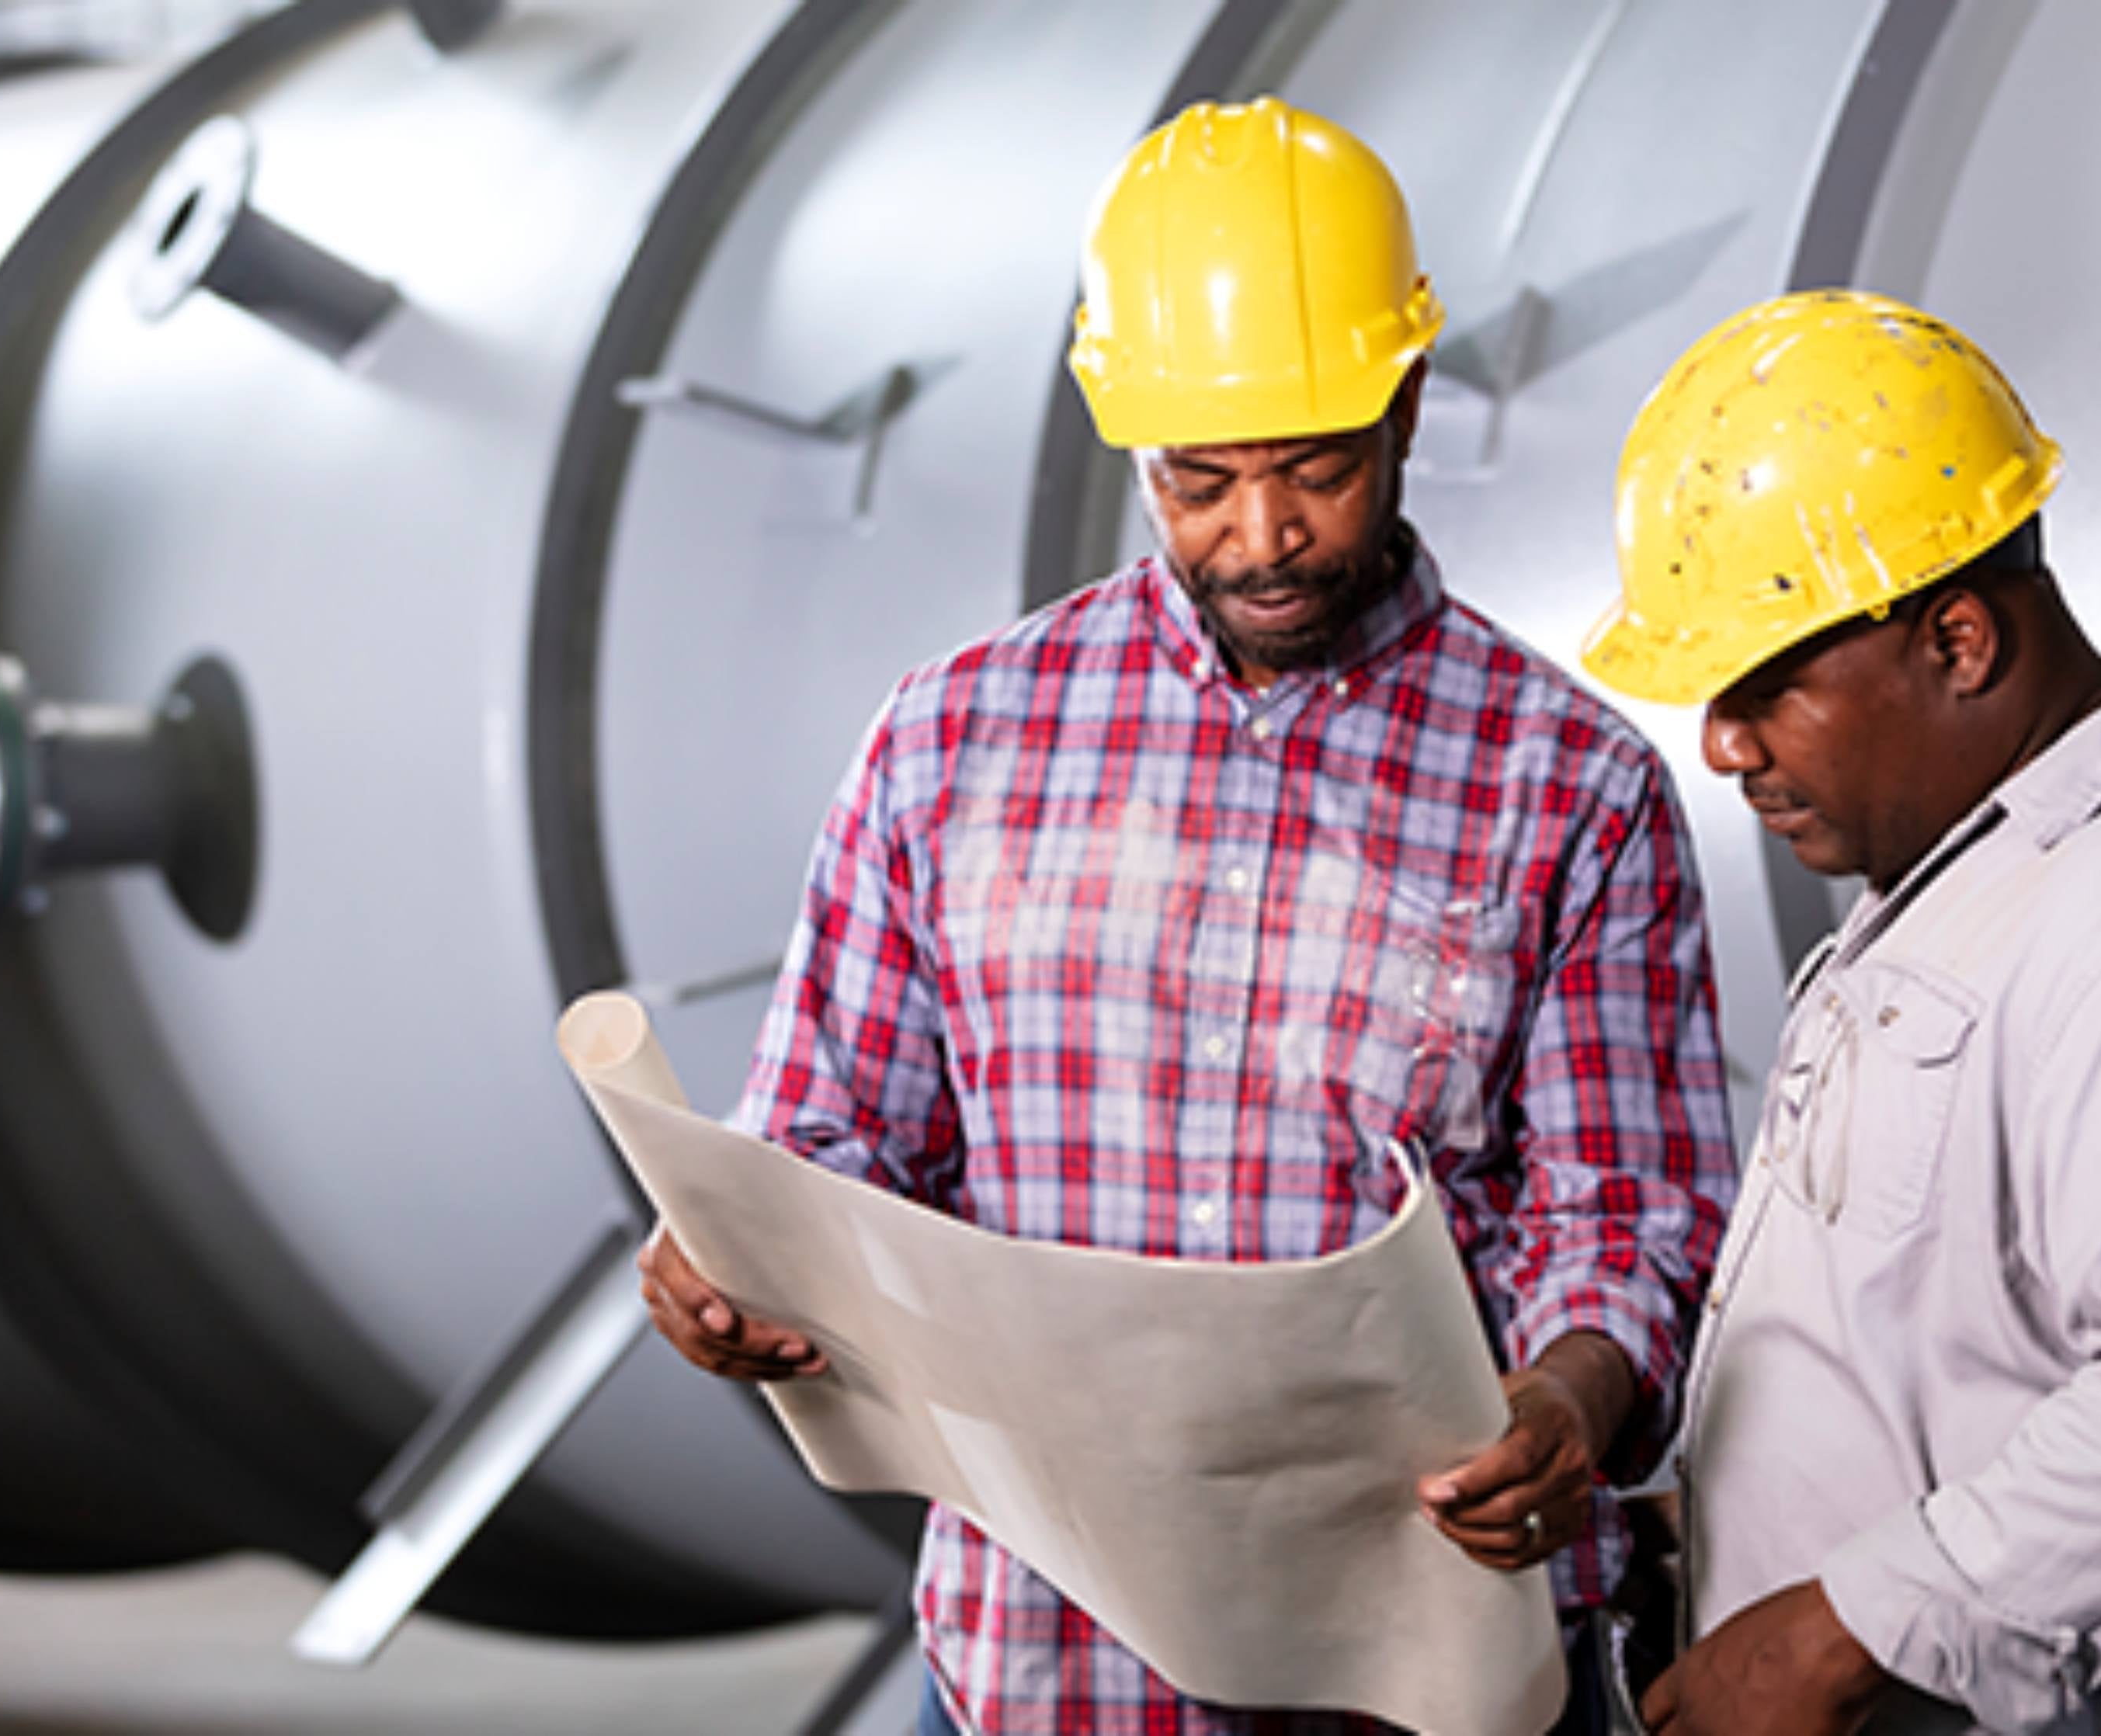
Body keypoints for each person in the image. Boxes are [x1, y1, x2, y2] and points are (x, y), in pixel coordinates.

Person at [635, 99, 1735, 1735]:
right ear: (1130, 444)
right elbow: (837, 1129)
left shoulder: (1568, 780)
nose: (1266, 536)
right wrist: (737, 1259)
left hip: (1419, 1659)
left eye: (1318, 469)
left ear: (1408, 402)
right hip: (1040, 1663)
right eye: (1201, 480)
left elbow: (1626, 1204)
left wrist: (1570, 1397)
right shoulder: (951, 741)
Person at [1584, 290, 2101, 1734]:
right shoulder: (1997, 871)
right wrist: (1724, 1517)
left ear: (1961, 641)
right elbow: (1970, 1336)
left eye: (1766, 684)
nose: (1723, 744)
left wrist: (1842, 1627)